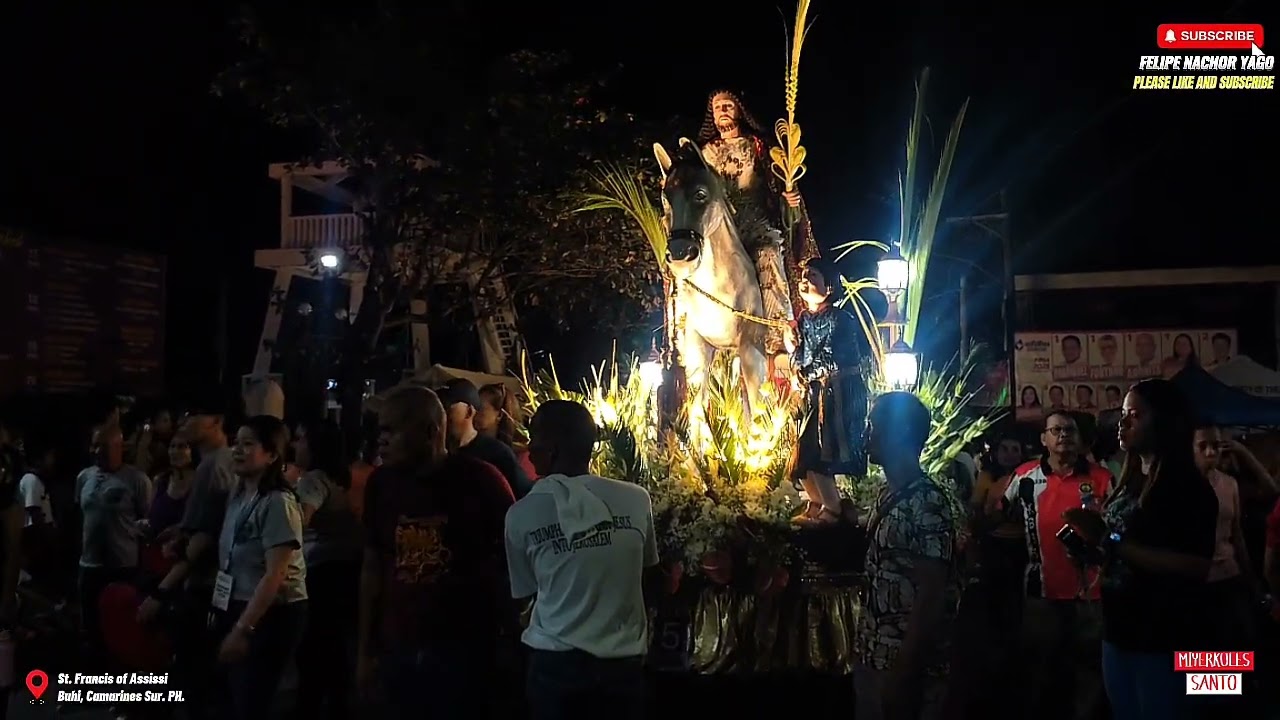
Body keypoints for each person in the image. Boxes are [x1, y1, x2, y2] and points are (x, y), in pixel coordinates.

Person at [1062, 379, 1217, 720]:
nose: (1123, 422)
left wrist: (1110, 541)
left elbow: (1195, 566)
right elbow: (1117, 552)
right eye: (1122, 413)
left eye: (1135, 414)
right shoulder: (1128, 482)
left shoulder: (1190, 489)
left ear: (1163, 421)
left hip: (1165, 638)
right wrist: (1091, 551)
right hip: (1118, 632)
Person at [357, 386, 515, 720]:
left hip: (463, 651)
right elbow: (372, 567)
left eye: (392, 430)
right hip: (398, 647)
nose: (381, 440)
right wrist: (365, 650)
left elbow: (514, 557)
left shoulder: (481, 480)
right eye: (379, 430)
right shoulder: (381, 485)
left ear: (430, 432)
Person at [505, 400, 659, 720]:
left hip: (555, 665)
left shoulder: (522, 514)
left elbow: (525, 592)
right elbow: (647, 574)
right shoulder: (635, 499)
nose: (529, 450)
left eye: (534, 440)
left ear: (554, 449)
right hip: (622, 663)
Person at [998, 411, 1111, 720]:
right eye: (1057, 430)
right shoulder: (1024, 476)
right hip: (1040, 592)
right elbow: (996, 514)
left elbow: (1118, 531)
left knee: (1088, 674)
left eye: (1070, 430)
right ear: (1043, 439)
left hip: (1090, 594)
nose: (1064, 435)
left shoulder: (1102, 478)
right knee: (1039, 672)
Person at [856, 392, 959, 720]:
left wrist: (904, 670)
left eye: (874, 426)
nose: (867, 434)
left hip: (904, 663)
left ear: (899, 434)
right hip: (873, 654)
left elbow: (931, 594)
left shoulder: (927, 503)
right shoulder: (888, 493)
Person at [694, 88, 814, 360]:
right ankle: (685, 332)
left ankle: (777, 334)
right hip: (720, 226)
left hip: (755, 224)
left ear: (739, 110)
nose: (723, 110)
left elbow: (776, 184)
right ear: (711, 116)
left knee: (769, 255)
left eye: (728, 105)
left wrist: (789, 200)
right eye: (717, 107)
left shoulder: (759, 147)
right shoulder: (704, 154)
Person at [216, 415, 308, 720]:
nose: (237, 450)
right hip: (240, 600)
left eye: (248, 444)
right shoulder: (240, 494)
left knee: (253, 701)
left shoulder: (278, 503)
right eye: (235, 443)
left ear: (271, 454)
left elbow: (275, 574)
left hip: (272, 612)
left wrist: (243, 629)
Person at [786, 256, 868, 525]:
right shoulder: (805, 320)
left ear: (829, 286)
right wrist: (793, 353)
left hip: (837, 392)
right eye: (804, 276)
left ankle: (833, 509)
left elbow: (834, 357)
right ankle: (816, 501)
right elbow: (802, 355)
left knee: (824, 452)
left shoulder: (840, 319)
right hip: (815, 392)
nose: (805, 281)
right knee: (804, 454)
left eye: (813, 276)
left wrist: (806, 373)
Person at [291, 418, 360, 720]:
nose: (295, 445)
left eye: (301, 439)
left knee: (314, 650)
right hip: (346, 570)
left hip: (321, 573)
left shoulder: (313, 479)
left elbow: (298, 522)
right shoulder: (340, 477)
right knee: (336, 652)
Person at [75, 423, 152, 665]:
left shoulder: (137, 480)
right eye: (94, 445)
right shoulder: (84, 477)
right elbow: (81, 513)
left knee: (122, 628)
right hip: (89, 565)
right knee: (91, 626)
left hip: (123, 566)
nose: (96, 450)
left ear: (119, 447)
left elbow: (149, 520)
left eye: (103, 446)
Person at [437, 379, 533, 498]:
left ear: (469, 412)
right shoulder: (437, 453)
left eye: (447, 408)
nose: (442, 415)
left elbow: (524, 497)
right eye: (439, 408)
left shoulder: (497, 454)